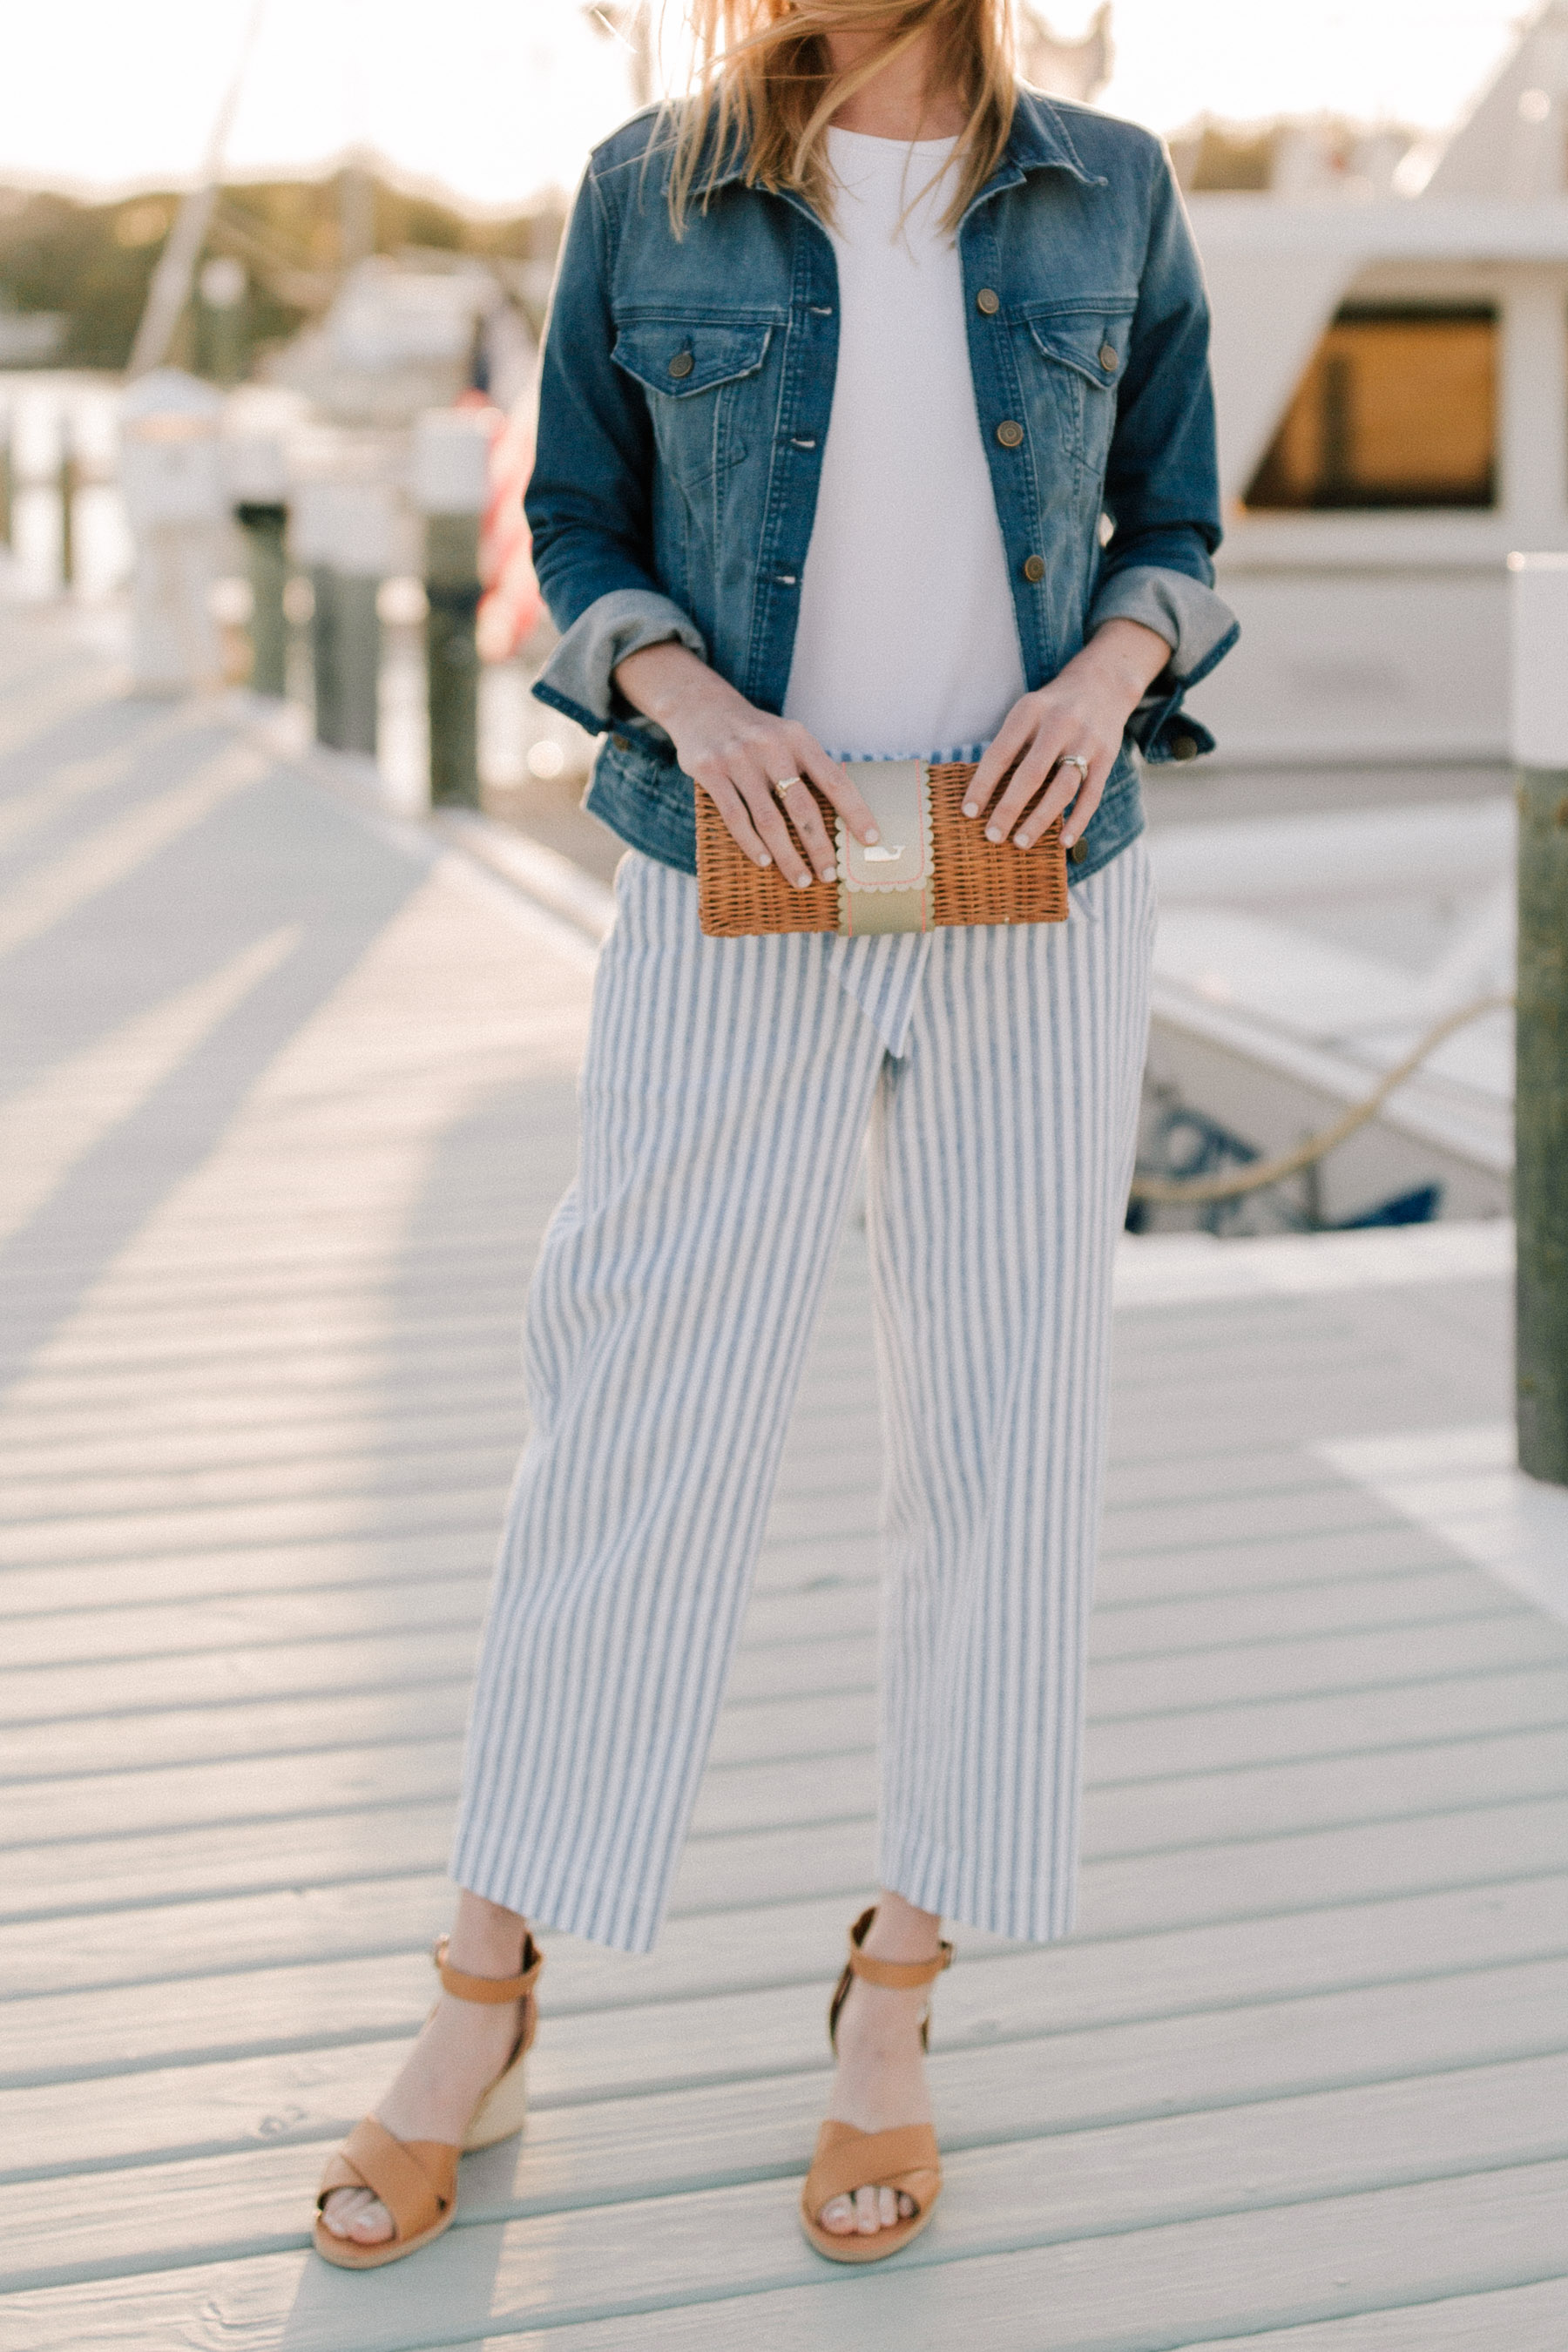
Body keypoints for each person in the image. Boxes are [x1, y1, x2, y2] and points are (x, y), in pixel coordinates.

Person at [314, 0, 1236, 2269]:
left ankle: (895, 1988)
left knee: (1009, 1428)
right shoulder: (657, 183)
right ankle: (483, 1989)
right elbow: (576, 517)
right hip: (732, 875)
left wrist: (1115, 669)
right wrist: (691, 693)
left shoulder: (1107, 186)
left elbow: (1182, 524)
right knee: (627, 1406)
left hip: (1041, 880)